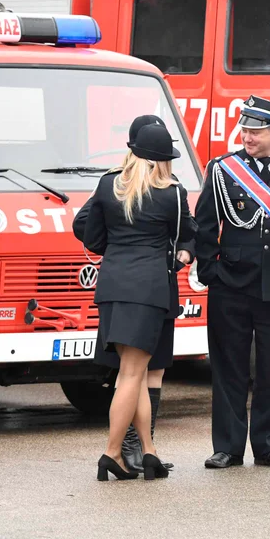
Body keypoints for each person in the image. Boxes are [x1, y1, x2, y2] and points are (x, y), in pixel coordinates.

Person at [74, 120, 196, 481]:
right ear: (163, 161)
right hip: (149, 291)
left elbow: (92, 236)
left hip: (112, 288)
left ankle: (148, 452)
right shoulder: (172, 193)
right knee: (131, 375)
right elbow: (180, 239)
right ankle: (111, 453)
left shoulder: (108, 184)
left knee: (135, 373)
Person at [195, 96, 270, 471]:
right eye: (245, 129)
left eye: (256, 131)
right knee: (229, 367)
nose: (248, 136)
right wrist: (211, 272)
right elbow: (206, 225)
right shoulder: (225, 169)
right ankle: (227, 446)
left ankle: (269, 444)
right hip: (231, 284)